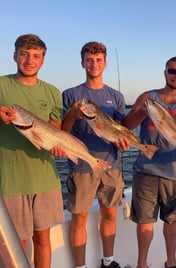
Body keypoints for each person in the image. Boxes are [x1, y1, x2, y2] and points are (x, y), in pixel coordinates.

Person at [123, 56, 176, 268]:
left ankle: (171, 262)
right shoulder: (148, 97)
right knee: (144, 222)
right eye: (172, 71)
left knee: (172, 221)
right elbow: (126, 127)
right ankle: (141, 263)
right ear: (165, 72)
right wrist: (141, 112)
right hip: (146, 170)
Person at [0, 34, 64, 267]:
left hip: (45, 179)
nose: (29, 60)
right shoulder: (1, 84)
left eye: (36, 56)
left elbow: (56, 131)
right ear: (15, 55)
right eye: (24, 54)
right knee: (17, 244)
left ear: (43, 60)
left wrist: (60, 148)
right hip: (10, 181)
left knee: (43, 238)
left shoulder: (53, 92)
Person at [62, 41, 126, 268]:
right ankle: (80, 266)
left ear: (106, 63)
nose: (94, 64)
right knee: (79, 218)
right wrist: (72, 115)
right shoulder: (70, 94)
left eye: (99, 60)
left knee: (110, 215)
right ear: (82, 63)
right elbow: (63, 132)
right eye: (89, 59)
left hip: (111, 165)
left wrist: (124, 141)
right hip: (81, 166)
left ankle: (108, 262)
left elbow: (118, 129)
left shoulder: (116, 96)